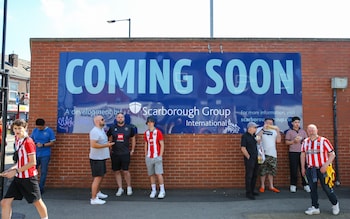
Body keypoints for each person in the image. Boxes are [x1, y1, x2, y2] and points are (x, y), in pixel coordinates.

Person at [0, 119, 48, 219]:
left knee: (37, 202)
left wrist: (15, 171)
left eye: (19, 128)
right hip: (18, 177)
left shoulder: (28, 142)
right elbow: (21, 161)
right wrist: (11, 170)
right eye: (15, 128)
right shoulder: (17, 139)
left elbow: (32, 162)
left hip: (29, 178)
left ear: (25, 128)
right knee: (5, 202)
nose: (17, 131)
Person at [301, 124, 340, 215]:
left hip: (323, 169)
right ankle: (315, 207)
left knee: (327, 188)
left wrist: (325, 165)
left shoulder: (324, 141)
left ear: (317, 130)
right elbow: (303, 155)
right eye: (309, 130)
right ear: (307, 131)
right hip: (311, 169)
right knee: (312, 189)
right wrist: (303, 168)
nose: (311, 131)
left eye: (313, 129)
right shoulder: (305, 142)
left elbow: (332, 154)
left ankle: (335, 204)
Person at [107, 112, 136, 197]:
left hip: (125, 153)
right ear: (116, 119)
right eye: (118, 117)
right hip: (115, 153)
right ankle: (120, 188)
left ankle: (129, 187)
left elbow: (133, 138)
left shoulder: (129, 128)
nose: (120, 119)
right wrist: (109, 148)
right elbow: (108, 137)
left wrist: (132, 150)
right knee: (116, 171)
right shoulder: (112, 128)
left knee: (126, 171)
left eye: (121, 117)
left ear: (124, 118)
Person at [89, 115, 114, 205]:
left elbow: (101, 142)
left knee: (101, 176)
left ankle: (97, 192)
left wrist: (106, 143)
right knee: (97, 177)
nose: (104, 120)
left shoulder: (101, 130)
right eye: (102, 119)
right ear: (97, 121)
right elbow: (94, 145)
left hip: (102, 157)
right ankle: (93, 198)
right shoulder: (94, 131)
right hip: (96, 158)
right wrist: (106, 146)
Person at [30, 118, 56, 194]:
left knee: (43, 171)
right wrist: (34, 144)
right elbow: (31, 140)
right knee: (33, 170)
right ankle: (32, 186)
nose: (39, 128)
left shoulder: (49, 131)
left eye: (40, 127)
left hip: (45, 154)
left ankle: (41, 188)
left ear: (44, 125)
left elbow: (52, 142)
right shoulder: (35, 130)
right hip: (35, 153)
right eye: (38, 127)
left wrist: (43, 145)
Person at [285, 116, 310, 193]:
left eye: (298, 122)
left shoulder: (303, 131)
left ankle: (306, 184)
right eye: (295, 122)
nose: (297, 124)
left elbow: (307, 141)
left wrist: (303, 141)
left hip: (302, 153)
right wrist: (294, 141)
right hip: (293, 152)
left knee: (304, 169)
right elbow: (286, 142)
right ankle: (293, 185)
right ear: (292, 123)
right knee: (293, 169)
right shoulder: (289, 132)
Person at [256, 118, 281, 193]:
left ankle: (271, 186)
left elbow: (278, 141)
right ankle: (262, 186)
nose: (269, 124)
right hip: (262, 153)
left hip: (272, 153)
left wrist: (278, 131)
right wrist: (263, 129)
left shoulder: (274, 131)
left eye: (271, 123)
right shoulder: (260, 129)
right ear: (264, 122)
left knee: (271, 170)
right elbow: (257, 138)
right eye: (268, 123)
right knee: (262, 170)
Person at [144, 116, 166, 199]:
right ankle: (153, 190)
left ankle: (162, 190)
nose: (149, 124)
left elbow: (162, 144)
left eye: (151, 122)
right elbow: (146, 144)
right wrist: (146, 154)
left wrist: (160, 155)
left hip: (157, 156)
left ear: (154, 123)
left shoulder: (158, 132)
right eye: (148, 122)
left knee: (159, 173)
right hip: (149, 156)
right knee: (151, 174)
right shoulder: (146, 133)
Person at [240, 122, 260, 200]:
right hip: (250, 159)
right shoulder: (245, 136)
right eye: (254, 127)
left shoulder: (254, 136)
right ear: (250, 128)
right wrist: (248, 156)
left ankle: (252, 190)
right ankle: (248, 192)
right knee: (249, 175)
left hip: (256, 158)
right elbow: (243, 148)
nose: (255, 129)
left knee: (255, 175)